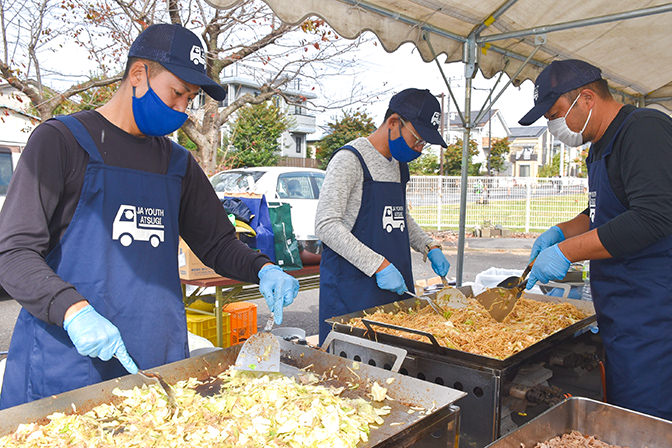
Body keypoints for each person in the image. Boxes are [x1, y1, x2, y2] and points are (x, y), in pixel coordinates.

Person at [0, 23, 299, 409]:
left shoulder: (177, 164)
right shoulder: (61, 141)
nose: (181, 109)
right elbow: (14, 252)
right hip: (69, 360)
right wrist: (72, 310)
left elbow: (217, 242)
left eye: (189, 99)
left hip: (154, 359)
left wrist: (262, 268)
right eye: (176, 93)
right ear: (139, 74)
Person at [519, 59, 672, 420]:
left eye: (555, 114)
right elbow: (600, 213)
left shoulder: (644, 129)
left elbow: (652, 216)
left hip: (654, 318)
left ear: (586, 98)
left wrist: (565, 252)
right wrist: (560, 232)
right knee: (624, 417)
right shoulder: (599, 146)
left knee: (646, 423)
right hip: (622, 314)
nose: (554, 127)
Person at [315, 88, 451, 344]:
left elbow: (400, 217)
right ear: (393, 123)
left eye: (424, 144)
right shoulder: (349, 160)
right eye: (417, 140)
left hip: (393, 295)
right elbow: (326, 225)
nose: (419, 149)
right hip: (352, 296)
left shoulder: (399, 166)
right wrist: (379, 265)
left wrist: (428, 245)